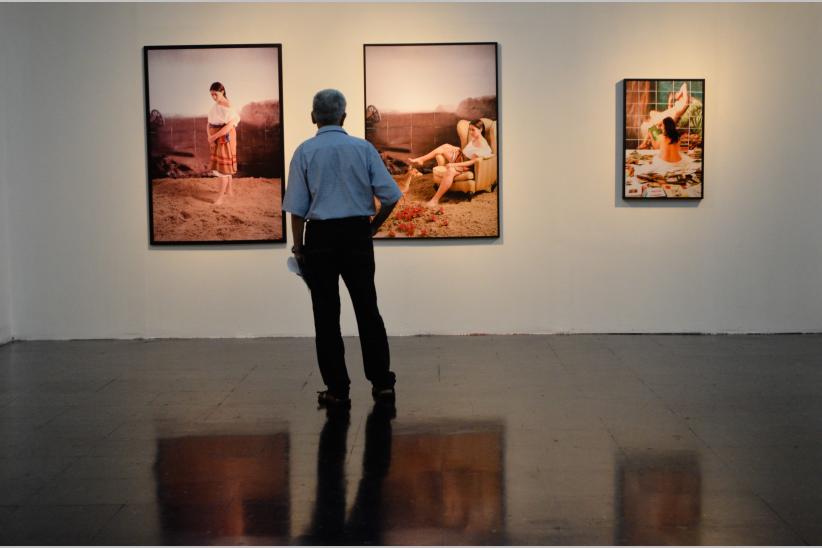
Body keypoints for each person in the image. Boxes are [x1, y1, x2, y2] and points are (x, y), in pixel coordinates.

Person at [283, 89, 402, 408]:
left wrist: (298, 248)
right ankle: (382, 384)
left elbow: (296, 207)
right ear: (345, 117)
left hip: (319, 237)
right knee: (367, 309)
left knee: (325, 314)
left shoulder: (304, 152)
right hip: (356, 235)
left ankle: (337, 388)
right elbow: (392, 196)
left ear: (312, 117)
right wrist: (372, 227)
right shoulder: (362, 149)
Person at [407, 119, 493, 207]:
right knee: (446, 146)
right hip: (461, 158)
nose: (471, 132)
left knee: (451, 170)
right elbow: (469, 152)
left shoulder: (482, 144)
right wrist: (458, 149)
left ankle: (435, 200)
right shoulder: (475, 138)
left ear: (481, 129)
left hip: (466, 165)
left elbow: (472, 162)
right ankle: (421, 159)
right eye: (470, 129)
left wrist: (453, 164)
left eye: (473, 130)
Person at [206, 82, 241, 205]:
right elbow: (209, 122)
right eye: (211, 95)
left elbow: (229, 126)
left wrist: (214, 137)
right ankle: (229, 191)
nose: (213, 97)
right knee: (223, 167)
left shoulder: (228, 106)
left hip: (224, 137)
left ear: (222, 91)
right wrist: (210, 137)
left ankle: (221, 197)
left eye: (215, 94)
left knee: (223, 170)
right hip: (215, 137)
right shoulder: (216, 105)